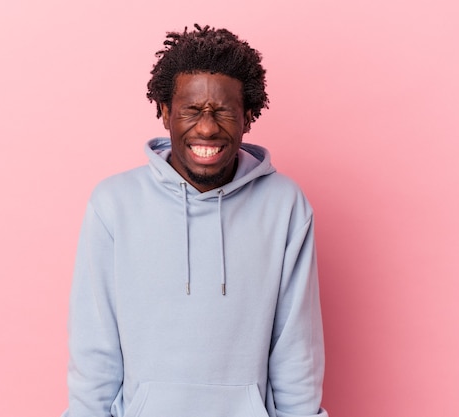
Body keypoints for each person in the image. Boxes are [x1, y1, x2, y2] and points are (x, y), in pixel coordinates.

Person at [63, 24, 327, 417]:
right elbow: (94, 349)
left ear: (249, 115)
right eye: (191, 110)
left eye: (223, 111)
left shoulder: (285, 205)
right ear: (165, 111)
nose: (206, 127)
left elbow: (296, 350)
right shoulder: (114, 203)